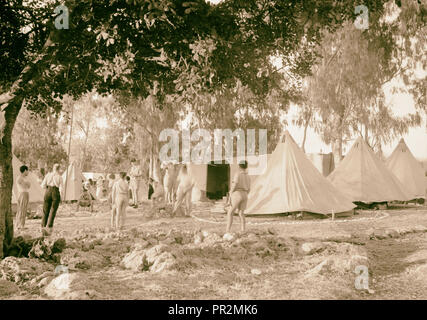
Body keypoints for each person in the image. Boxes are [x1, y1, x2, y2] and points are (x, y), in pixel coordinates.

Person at [225, 160, 250, 234]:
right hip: (245, 194)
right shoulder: (248, 176)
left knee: (230, 212)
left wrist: (230, 194)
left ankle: (227, 230)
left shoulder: (237, 174)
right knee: (241, 213)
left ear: (239, 166)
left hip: (237, 193)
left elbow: (234, 185)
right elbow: (249, 188)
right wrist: (245, 194)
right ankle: (243, 229)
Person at [40, 164, 63, 236]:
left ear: (53, 168)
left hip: (48, 190)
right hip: (55, 191)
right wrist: (61, 197)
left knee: (45, 210)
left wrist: (47, 188)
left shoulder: (48, 175)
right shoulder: (59, 177)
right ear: (59, 169)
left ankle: (43, 226)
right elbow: (61, 188)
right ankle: (49, 226)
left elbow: (42, 185)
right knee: (53, 210)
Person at [16, 165, 31, 231]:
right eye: (27, 171)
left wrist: (26, 184)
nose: (28, 172)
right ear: (25, 170)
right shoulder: (19, 178)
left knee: (23, 209)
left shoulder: (24, 178)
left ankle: (21, 224)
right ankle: (20, 225)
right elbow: (25, 185)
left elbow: (28, 186)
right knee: (22, 209)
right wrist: (26, 184)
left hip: (25, 193)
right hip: (23, 193)